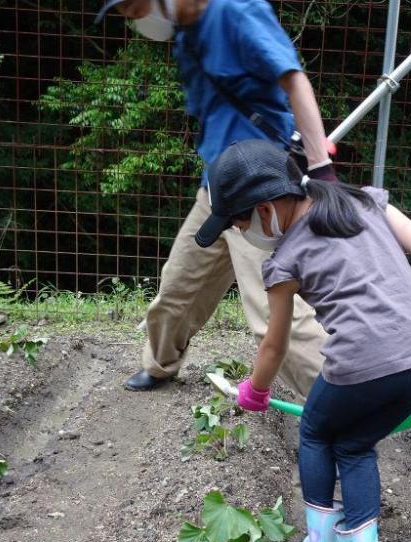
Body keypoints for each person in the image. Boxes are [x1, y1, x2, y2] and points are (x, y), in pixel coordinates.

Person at [196, 139, 411, 542]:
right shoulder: (365, 201)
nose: (240, 232)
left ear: (267, 206)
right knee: (354, 442)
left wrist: (254, 392)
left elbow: (274, 345)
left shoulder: (284, 261)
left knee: (316, 430)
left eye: (239, 222)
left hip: (362, 360)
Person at [94, 0, 340, 398]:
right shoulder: (187, 34)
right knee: (177, 287)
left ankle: (345, 405)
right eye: (125, 14)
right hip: (217, 189)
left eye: (135, 7)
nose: (134, 19)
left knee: (274, 313)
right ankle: (159, 365)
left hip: (261, 193)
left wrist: (319, 166)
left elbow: (295, 81)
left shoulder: (236, 12)